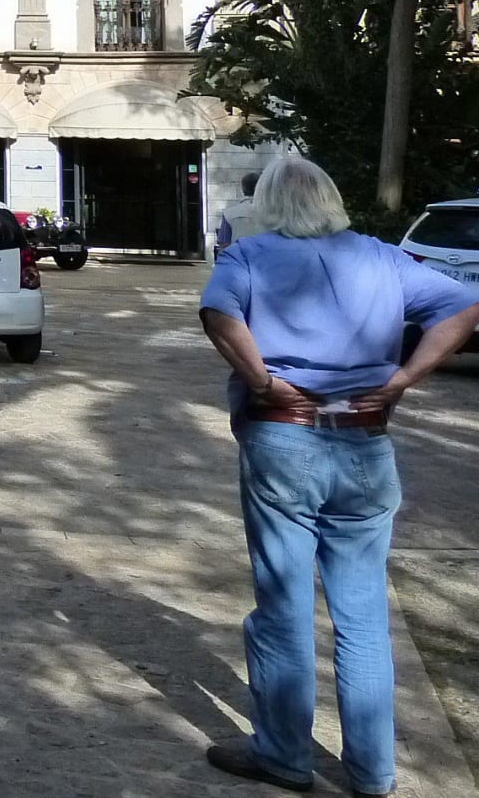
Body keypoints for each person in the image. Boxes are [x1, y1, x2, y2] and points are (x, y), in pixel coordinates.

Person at [199, 154, 479, 795]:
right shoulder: (383, 258)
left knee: (284, 604)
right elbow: (465, 307)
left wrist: (260, 379)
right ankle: (372, 772)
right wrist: (402, 379)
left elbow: (218, 314)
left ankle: (283, 755)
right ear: (332, 200)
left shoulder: (249, 256)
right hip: (365, 444)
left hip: (285, 438)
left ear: (270, 205)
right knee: (363, 612)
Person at [218, 170, 264, 250]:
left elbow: (224, 245)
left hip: (239, 256)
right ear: (261, 188)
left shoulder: (229, 214)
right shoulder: (273, 213)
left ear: (243, 189)